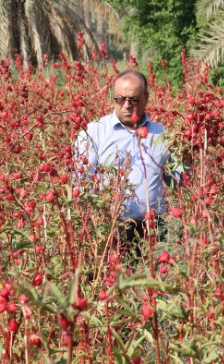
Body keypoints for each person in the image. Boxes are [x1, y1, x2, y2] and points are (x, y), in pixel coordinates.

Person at [75, 70, 180, 253]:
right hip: (109, 230)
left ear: (146, 98)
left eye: (134, 99)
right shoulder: (94, 132)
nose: (126, 105)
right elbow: (81, 182)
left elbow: (179, 181)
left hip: (155, 230)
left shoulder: (163, 135)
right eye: (120, 99)